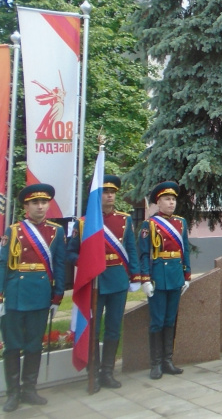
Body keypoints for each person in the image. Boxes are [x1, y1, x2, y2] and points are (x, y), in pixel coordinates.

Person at [66, 175, 139, 391]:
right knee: (93, 328)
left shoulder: (124, 220)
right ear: (97, 195)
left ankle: (108, 371)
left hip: (116, 279)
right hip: (94, 282)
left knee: (113, 328)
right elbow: (71, 254)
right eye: (105, 192)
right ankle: (94, 372)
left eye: (112, 192)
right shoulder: (84, 222)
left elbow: (131, 250)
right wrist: (87, 264)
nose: (109, 195)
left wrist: (135, 276)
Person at [0, 184, 65, 412]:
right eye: (35, 203)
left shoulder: (57, 231)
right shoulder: (14, 230)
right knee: (12, 346)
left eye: (44, 202)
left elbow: (58, 265)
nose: (40, 206)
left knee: (34, 345)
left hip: (40, 295)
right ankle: (13, 393)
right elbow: (2, 264)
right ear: (26, 206)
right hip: (16, 294)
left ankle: (29, 389)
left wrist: (57, 297)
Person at [138, 181, 190, 379]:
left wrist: (186, 276)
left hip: (175, 276)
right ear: (158, 202)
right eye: (167, 199)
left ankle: (168, 360)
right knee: (157, 322)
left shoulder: (181, 223)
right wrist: (145, 279)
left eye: (173, 199)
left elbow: (184, 250)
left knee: (170, 320)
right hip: (158, 277)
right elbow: (144, 254)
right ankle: (155, 363)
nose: (171, 203)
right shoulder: (149, 224)